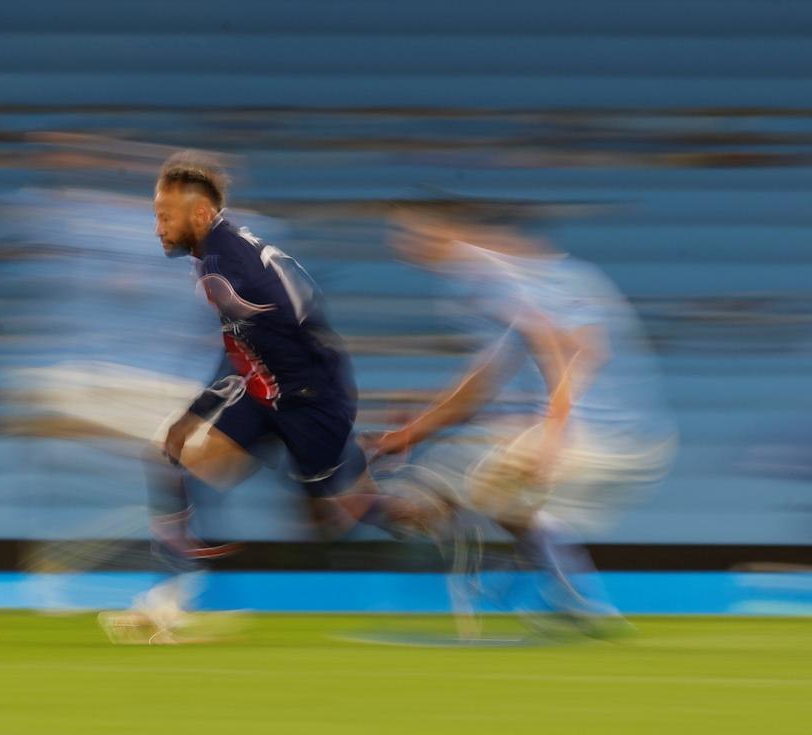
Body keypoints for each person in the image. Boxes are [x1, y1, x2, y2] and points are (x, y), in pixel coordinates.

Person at [101, 152, 443, 644]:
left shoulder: (224, 271)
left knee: (335, 517)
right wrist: (194, 417)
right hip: (270, 393)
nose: (157, 227)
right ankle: (166, 604)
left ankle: (429, 509)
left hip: (308, 403)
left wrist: (197, 411)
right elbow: (255, 342)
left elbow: (264, 338)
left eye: (164, 216)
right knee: (174, 459)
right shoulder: (225, 253)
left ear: (198, 215)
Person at [370, 204, 676, 636]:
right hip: (632, 431)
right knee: (495, 490)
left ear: (452, 231)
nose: (402, 244)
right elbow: (488, 376)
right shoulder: (553, 278)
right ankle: (564, 594)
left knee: (453, 482)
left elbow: (565, 347)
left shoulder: (489, 276)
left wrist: (554, 430)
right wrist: (415, 428)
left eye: (412, 232)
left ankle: (507, 583)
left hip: (597, 432)